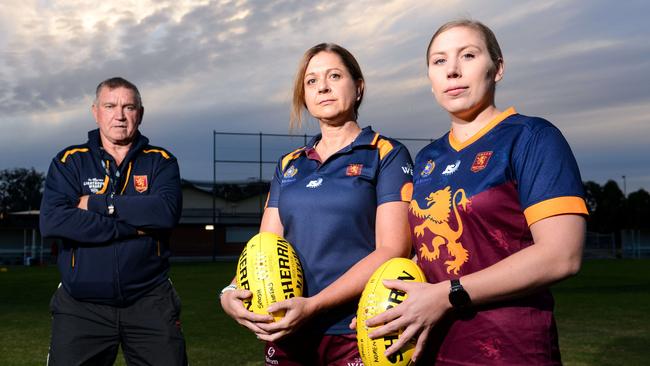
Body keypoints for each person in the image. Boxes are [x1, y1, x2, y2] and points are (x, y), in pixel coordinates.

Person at [364, 20, 588, 365]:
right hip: (430, 350)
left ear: (497, 68)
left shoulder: (532, 137)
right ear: (430, 79)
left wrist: (446, 294)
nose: (452, 70)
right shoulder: (427, 159)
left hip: (511, 350)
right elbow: (423, 257)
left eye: (468, 55)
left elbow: (561, 255)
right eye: (439, 61)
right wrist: (382, 307)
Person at [220, 43, 414, 365]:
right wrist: (228, 292)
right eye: (311, 81)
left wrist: (314, 305)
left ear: (359, 87)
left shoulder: (386, 154)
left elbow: (393, 249)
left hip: (355, 330)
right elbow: (263, 247)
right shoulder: (289, 164)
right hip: (288, 329)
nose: (322, 86)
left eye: (334, 76)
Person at [40, 77, 188, 365]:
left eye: (128, 107)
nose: (119, 115)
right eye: (110, 106)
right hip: (81, 306)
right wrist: (135, 226)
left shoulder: (161, 161)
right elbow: (53, 222)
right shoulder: (69, 161)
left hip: (150, 300)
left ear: (140, 113)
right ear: (96, 111)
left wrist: (97, 204)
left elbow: (165, 213)